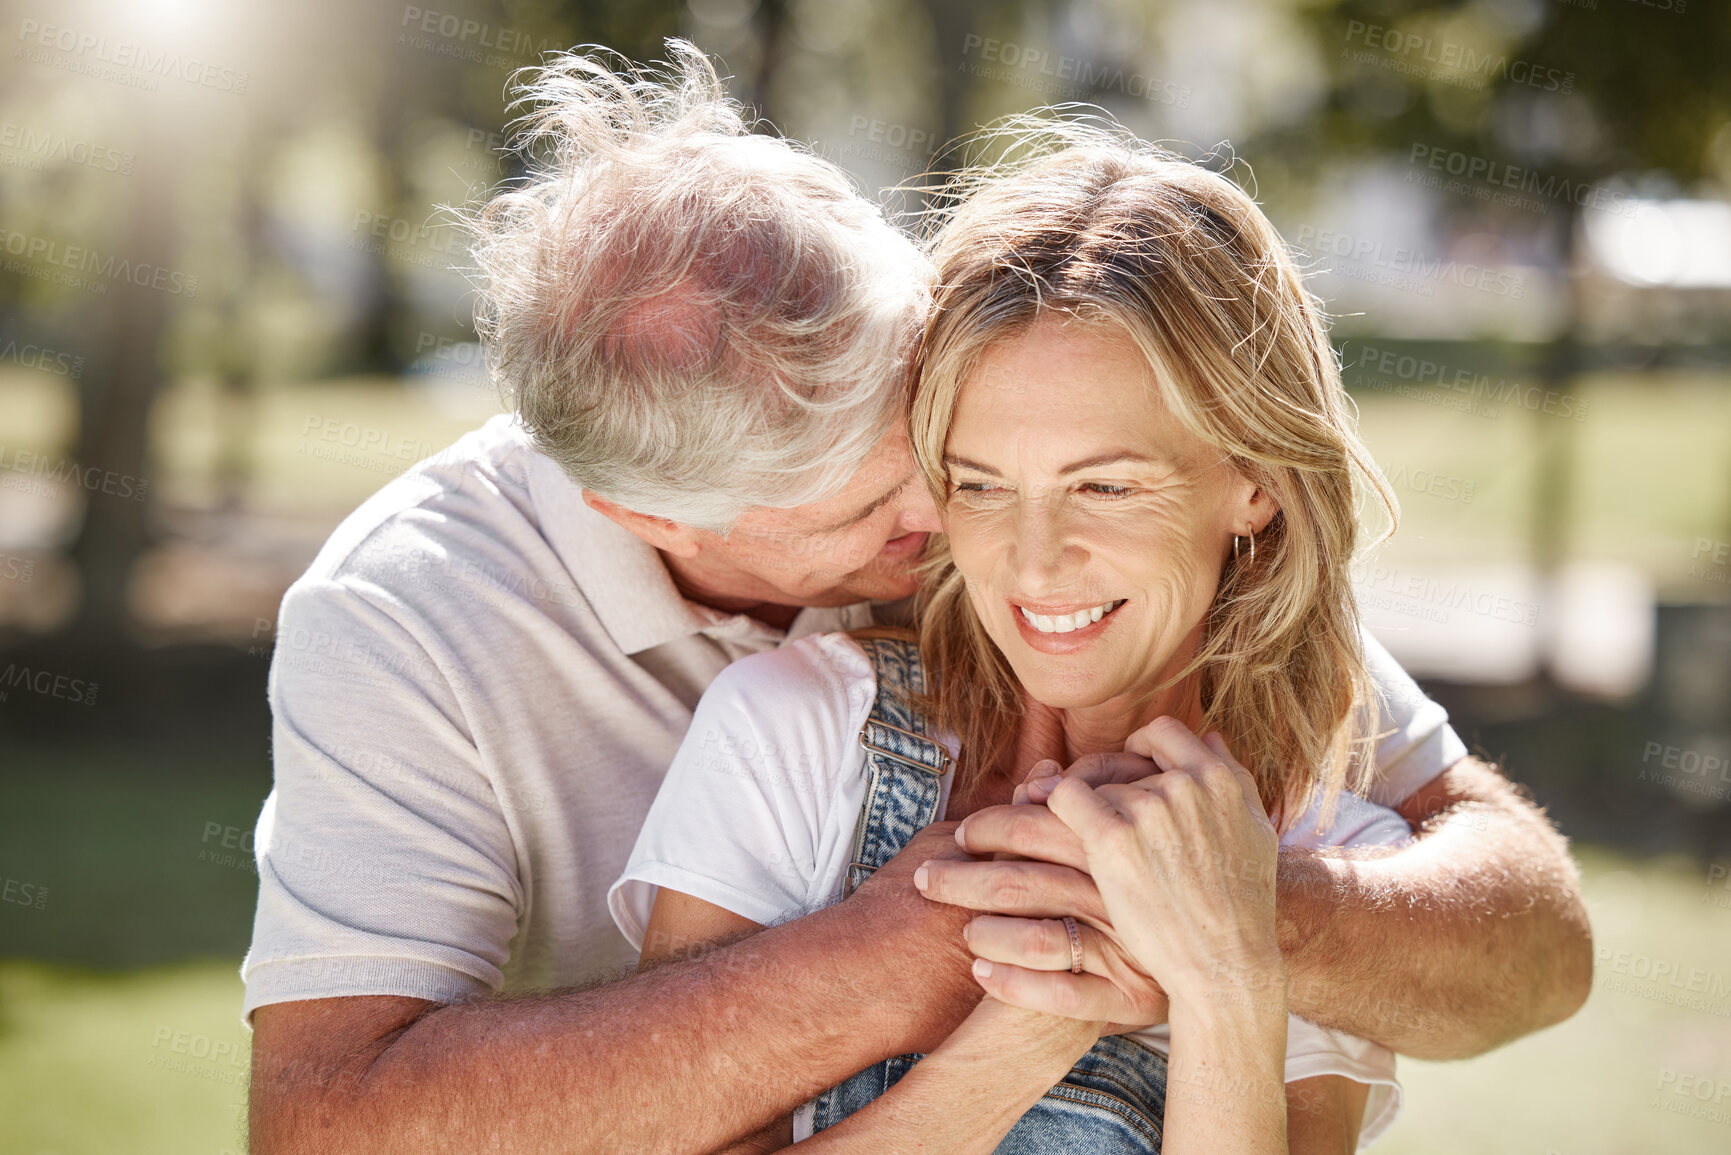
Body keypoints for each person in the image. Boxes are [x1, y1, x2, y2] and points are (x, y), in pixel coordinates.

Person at [243, 44, 1591, 1154]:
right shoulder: (407, 617)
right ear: (652, 522)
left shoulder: (1037, 482)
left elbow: (1523, 934)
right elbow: (326, 1123)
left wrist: (1225, 914)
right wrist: (933, 944)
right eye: (886, 504)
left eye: (937, 437)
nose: (968, 530)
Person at [608, 125, 1531, 1151]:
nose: (1035, 562)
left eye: (1106, 485)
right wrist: (1025, 1034)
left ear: (1256, 484)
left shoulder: (1332, 860)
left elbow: (1542, 945)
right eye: (982, 484)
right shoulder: (793, 731)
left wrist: (1226, 971)